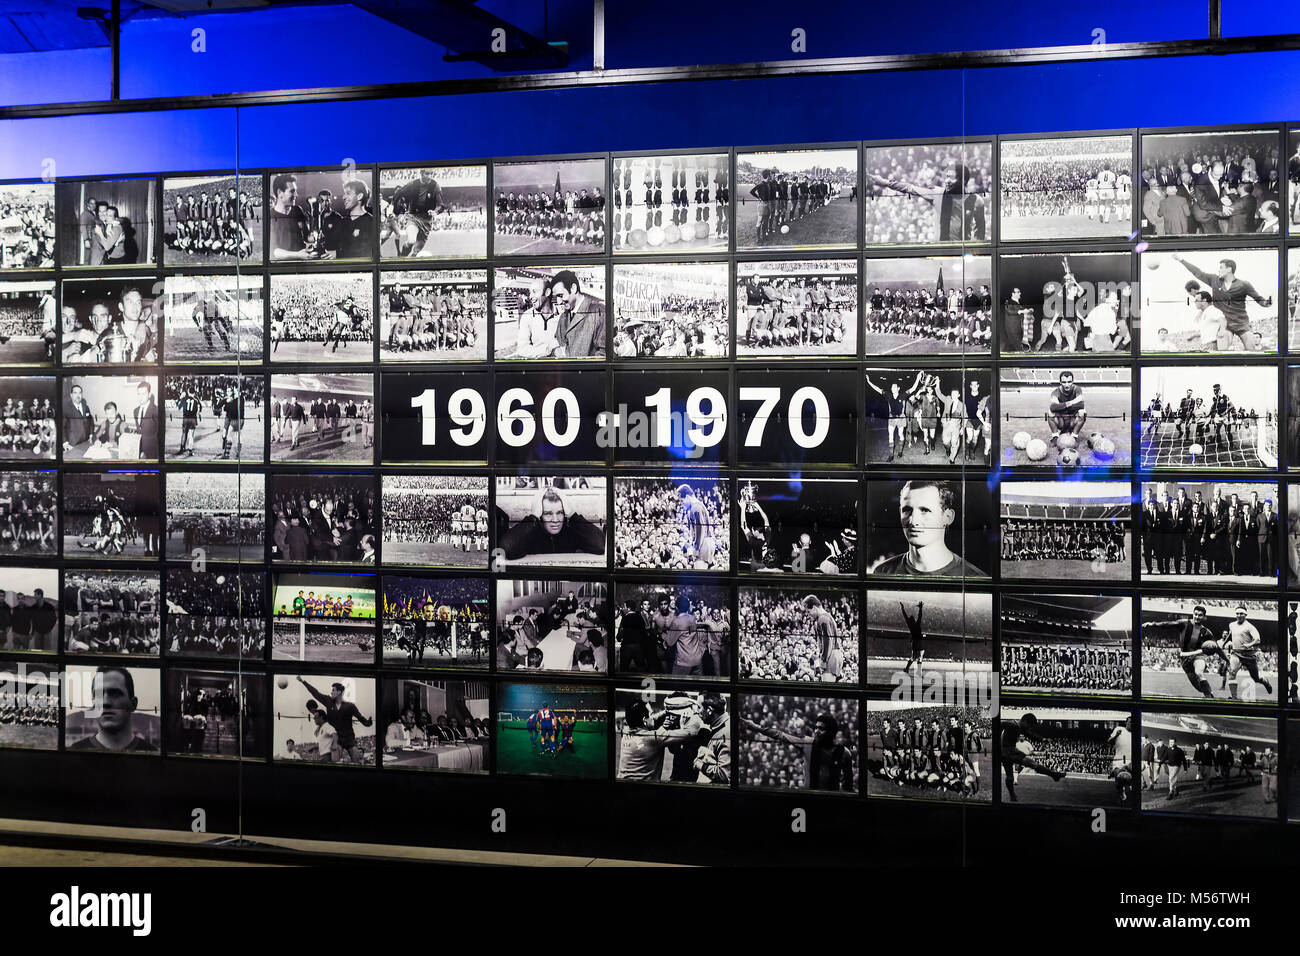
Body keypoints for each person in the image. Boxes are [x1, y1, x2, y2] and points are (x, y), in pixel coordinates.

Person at [871, 479, 985, 576]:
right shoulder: (882, 572)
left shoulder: (974, 577)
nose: (913, 521)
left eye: (925, 510)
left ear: (948, 517)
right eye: (906, 510)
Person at [499, 485, 604, 561]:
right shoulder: (530, 533)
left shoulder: (571, 532)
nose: (555, 519)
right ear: (540, 515)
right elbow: (507, 547)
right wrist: (533, 517)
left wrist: (572, 514)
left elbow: (600, 545)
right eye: (548, 514)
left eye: (560, 513)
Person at [67, 667, 158, 752]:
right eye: (98, 695)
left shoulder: (153, 755)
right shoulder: (75, 753)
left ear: (133, 704)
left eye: (115, 694)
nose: (105, 702)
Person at [297, 677, 372, 764]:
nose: (331, 692)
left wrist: (368, 723)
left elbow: (361, 718)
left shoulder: (350, 706)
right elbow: (315, 693)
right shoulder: (328, 701)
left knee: (356, 760)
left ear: (339, 692)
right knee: (334, 762)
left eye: (333, 690)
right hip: (337, 740)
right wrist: (303, 682)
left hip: (349, 738)